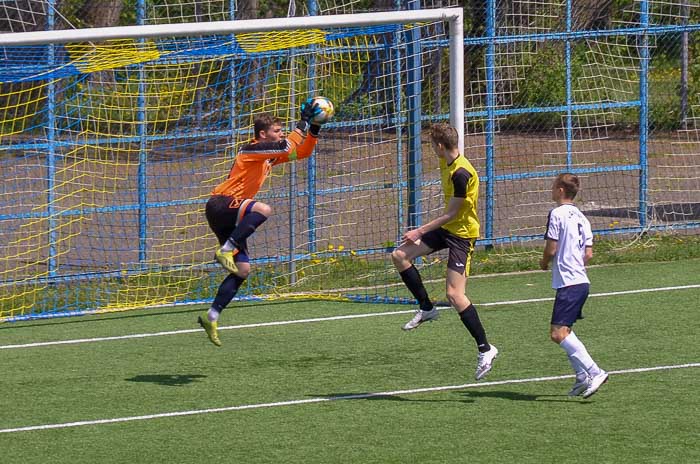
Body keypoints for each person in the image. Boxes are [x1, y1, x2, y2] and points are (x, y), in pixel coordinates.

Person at [198, 100, 323, 346]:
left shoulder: (268, 158)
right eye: (276, 131)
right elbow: (287, 144)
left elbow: (302, 151)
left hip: (231, 212)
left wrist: (315, 128)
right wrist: (303, 123)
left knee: (243, 270)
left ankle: (211, 316)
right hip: (221, 204)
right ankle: (225, 250)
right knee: (264, 208)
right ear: (262, 134)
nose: (280, 134)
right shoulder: (250, 150)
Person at [391, 123, 498, 380]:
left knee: (454, 294)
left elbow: (452, 213)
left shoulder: (461, 173)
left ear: (440, 146)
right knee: (400, 255)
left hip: (462, 235)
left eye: (432, 145)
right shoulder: (448, 161)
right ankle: (426, 308)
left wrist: (418, 231)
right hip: (448, 229)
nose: (431, 149)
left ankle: (486, 348)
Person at [540, 173, 608, 398]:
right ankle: (581, 377)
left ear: (560, 190)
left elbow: (551, 248)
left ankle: (594, 371)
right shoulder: (582, 217)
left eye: (553, 186)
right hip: (581, 281)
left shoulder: (557, 214)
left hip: (569, 283)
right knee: (565, 331)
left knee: (558, 334)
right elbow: (588, 254)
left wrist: (544, 263)